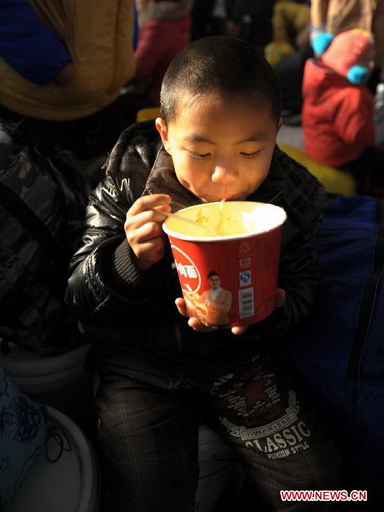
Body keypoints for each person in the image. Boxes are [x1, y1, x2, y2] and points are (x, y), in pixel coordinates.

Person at [66, 36, 342, 511]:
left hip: (239, 363)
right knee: (148, 497)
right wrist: (129, 259)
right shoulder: (129, 176)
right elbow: (77, 296)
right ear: (165, 133)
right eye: (201, 151)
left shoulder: (295, 196)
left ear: (277, 132)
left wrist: (273, 313)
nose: (223, 176)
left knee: (327, 491)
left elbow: (303, 293)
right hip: (140, 365)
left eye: (251, 152)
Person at [0, 0, 140, 356]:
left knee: (100, 226)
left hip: (101, 102)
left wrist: (123, 49)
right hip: (39, 106)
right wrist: (57, 67)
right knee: (53, 243)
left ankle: (94, 331)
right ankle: (61, 343)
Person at [302, 29, 384, 195]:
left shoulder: (317, 76)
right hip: (338, 155)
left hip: (317, 144)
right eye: (366, 60)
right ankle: (368, 191)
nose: (370, 65)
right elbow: (357, 134)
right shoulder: (351, 95)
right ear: (351, 65)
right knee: (378, 161)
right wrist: (377, 133)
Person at [123, 0, 190, 121]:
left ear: (149, 0)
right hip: (179, 96)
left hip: (161, 100)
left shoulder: (157, 28)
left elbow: (137, 71)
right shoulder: (176, 20)